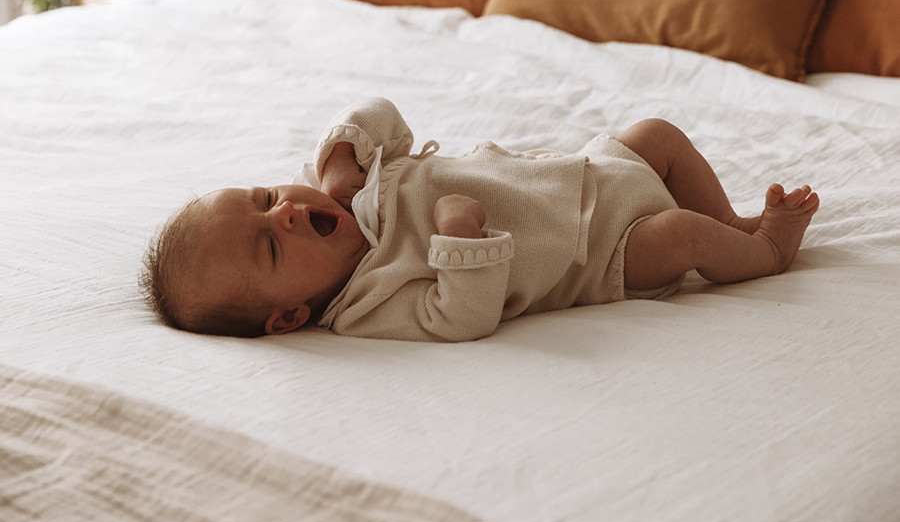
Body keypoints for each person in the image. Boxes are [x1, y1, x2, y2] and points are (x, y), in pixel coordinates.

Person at [143, 98, 819, 342]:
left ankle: (732, 217)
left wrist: (340, 158)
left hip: (583, 174)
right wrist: (458, 244)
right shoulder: (365, 302)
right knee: (683, 237)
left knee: (658, 133)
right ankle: (761, 251)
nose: (287, 213)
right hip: (595, 252)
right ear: (289, 315)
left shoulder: (346, 189)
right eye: (269, 246)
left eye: (266, 197)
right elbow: (456, 317)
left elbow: (383, 115)